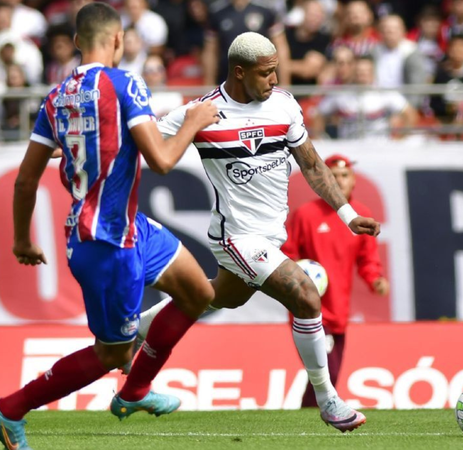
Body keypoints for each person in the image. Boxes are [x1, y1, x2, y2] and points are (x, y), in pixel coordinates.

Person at [0, 4, 220, 449]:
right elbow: (162, 161)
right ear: (118, 41)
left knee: (199, 293)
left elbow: (25, 180)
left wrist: (20, 239)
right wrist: (192, 122)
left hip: (130, 227)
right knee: (113, 353)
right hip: (107, 243)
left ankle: (135, 392)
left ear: (75, 41)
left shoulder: (55, 97)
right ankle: (9, 409)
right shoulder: (125, 83)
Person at [138, 31, 380, 432]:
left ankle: (137, 327)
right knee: (304, 294)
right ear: (239, 71)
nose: (274, 80)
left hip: (269, 235)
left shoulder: (283, 105)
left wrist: (347, 213)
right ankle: (328, 399)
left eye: (276, 72)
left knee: (216, 297)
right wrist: (68, 146)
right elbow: (141, 140)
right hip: (235, 237)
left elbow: (313, 164)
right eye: (266, 73)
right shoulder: (201, 112)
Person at [282, 154, 389, 408]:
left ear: (353, 181)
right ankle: (314, 417)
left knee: (330, 375)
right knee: (325, 373)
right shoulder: (306, 215)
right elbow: (287, 253)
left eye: (344, 176)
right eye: (332, 176)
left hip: (339, 312)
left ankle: (306, 418)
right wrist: (296, 275)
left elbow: (367, 259)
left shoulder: (361, 215)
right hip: (308, 310)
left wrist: (375, 279)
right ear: (323, 182)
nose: (339, 181)